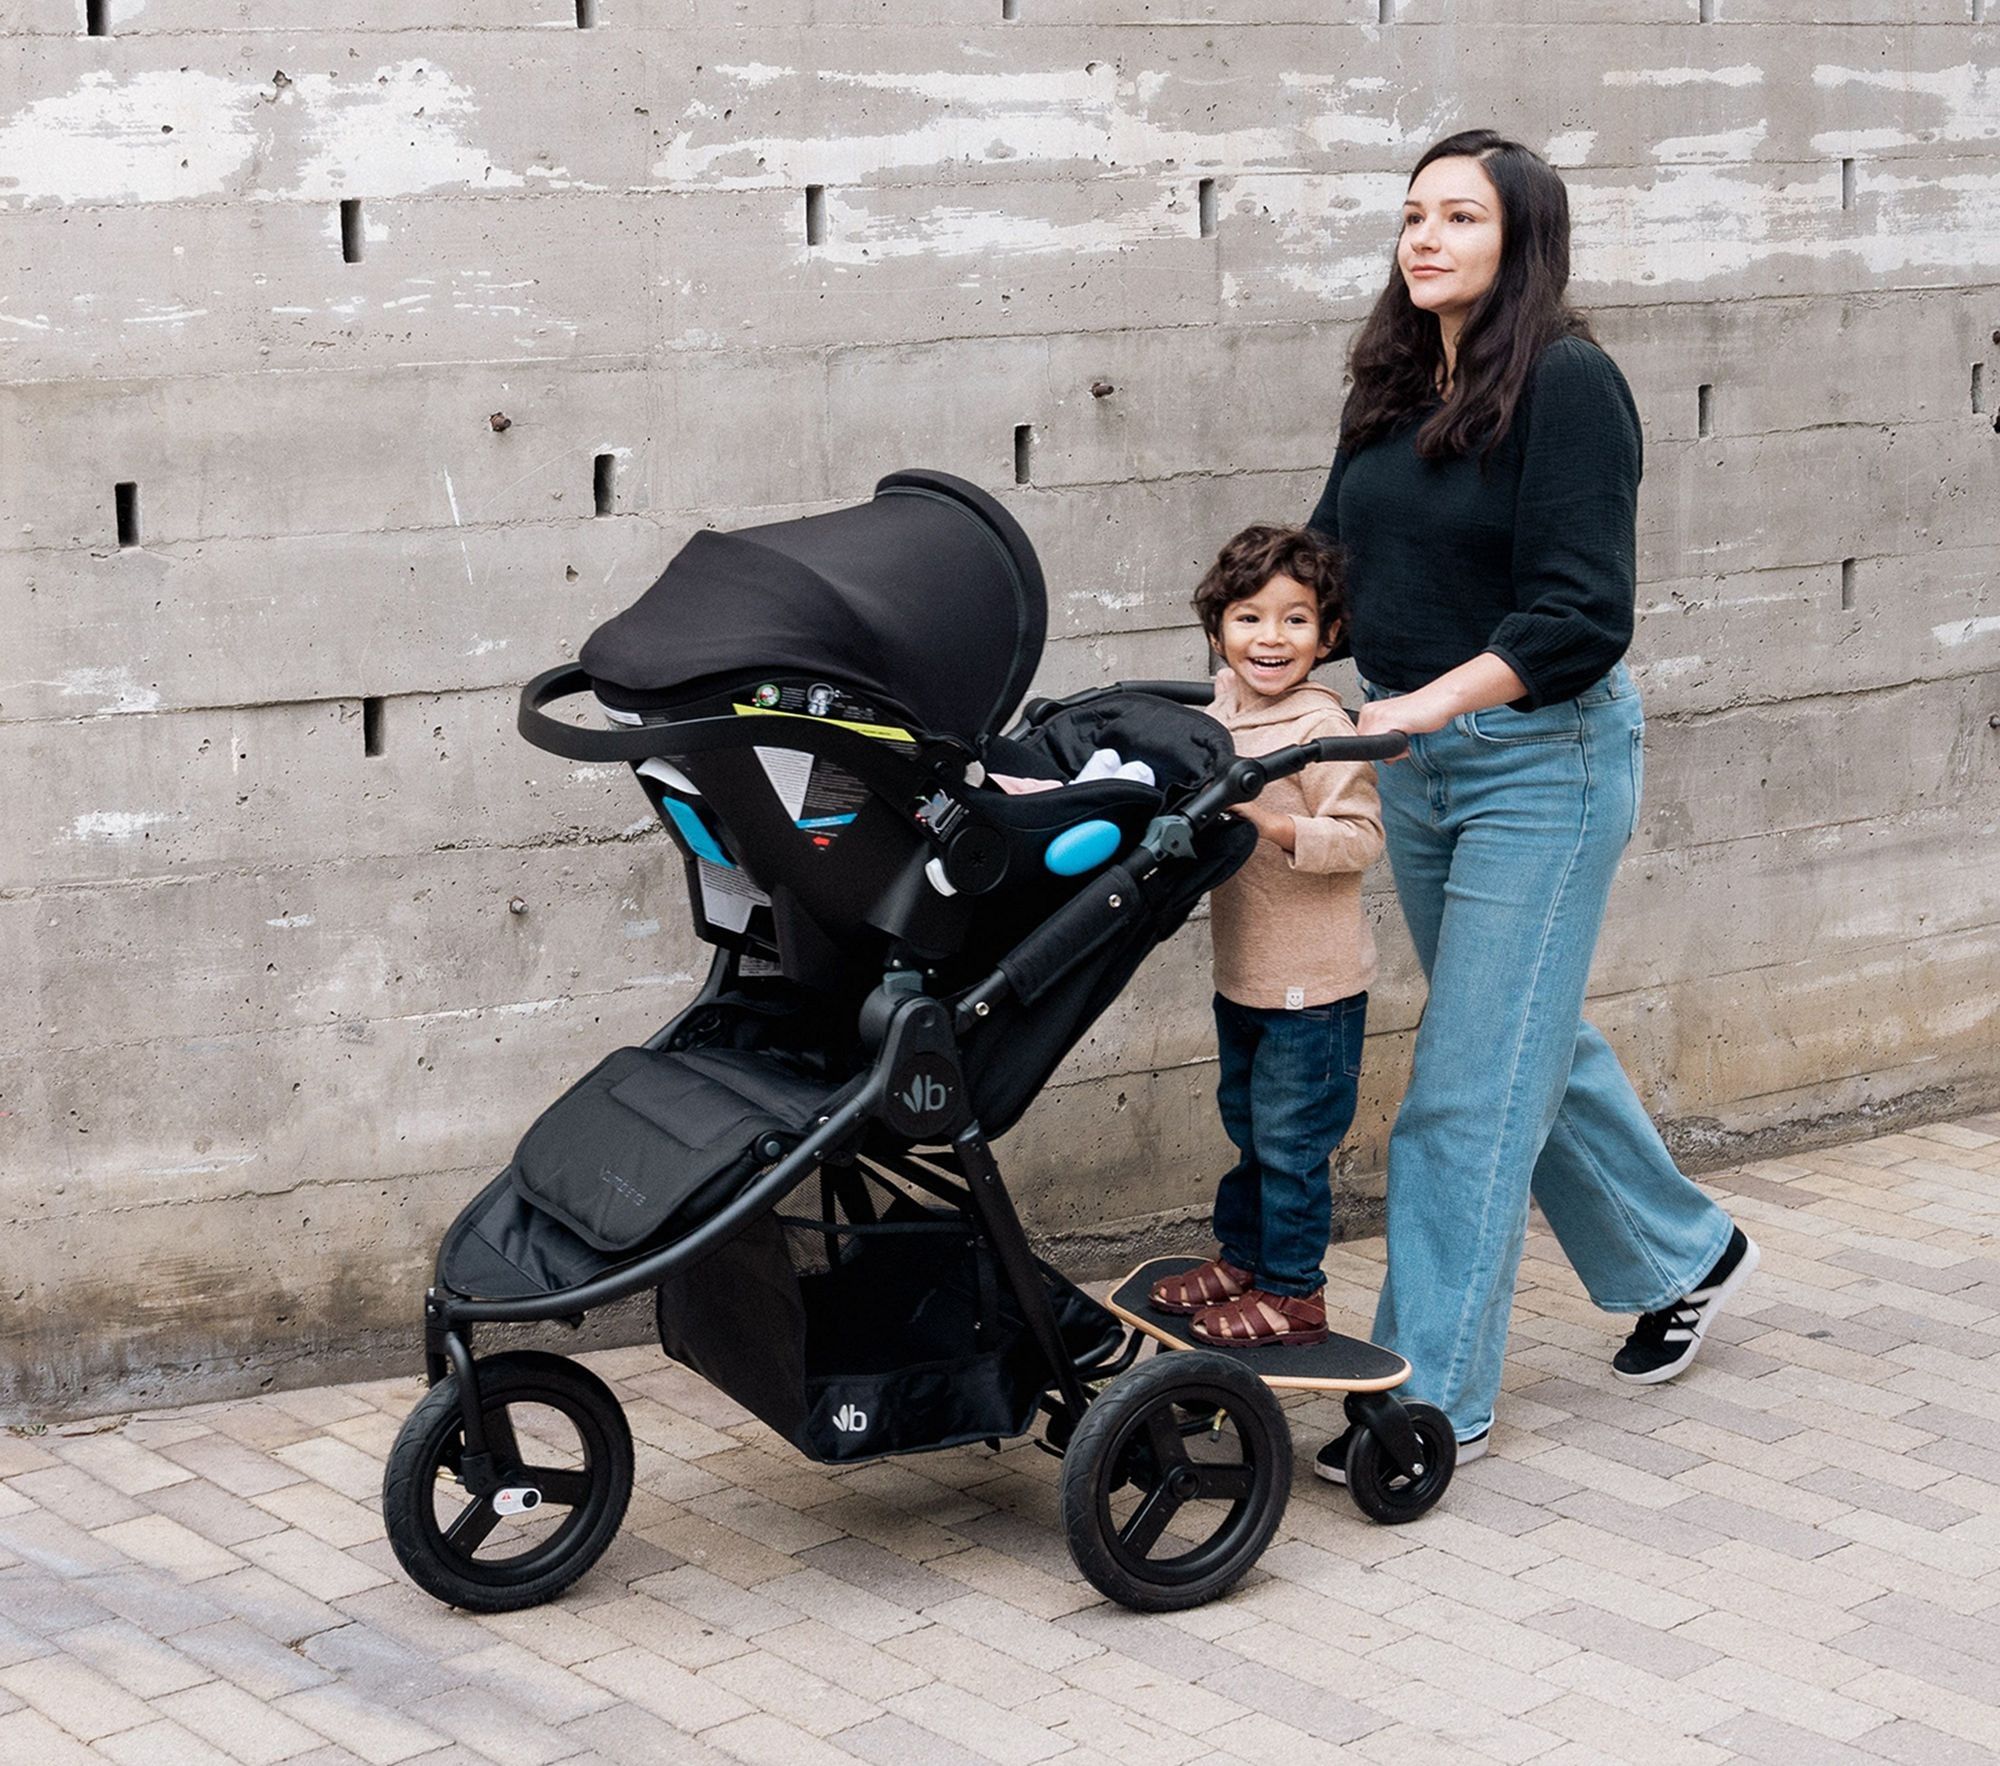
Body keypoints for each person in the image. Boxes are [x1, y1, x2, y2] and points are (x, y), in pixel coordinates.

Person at [1306, 129, 1757, 1481]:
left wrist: (1428, 704)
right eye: (1413, 215)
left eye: (1461, 216)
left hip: (1537, 762)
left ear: (1522, 240)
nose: (1426, 237)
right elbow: (1333, 559)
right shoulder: (1392, 382)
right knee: (1522, 1045)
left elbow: (1580, 614)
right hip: (1424, 763)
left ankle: (1425, 1401)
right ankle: (1685, 1249)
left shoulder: (1568, 385)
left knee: (1464, 1092)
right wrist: (1251, 670)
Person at [1148, 525, 1385, 1346]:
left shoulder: (1322, 730)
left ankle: (1293, 1294)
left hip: (1312, 990)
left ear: (1328, 637)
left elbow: (1359, 838)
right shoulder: (1224, 711)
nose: (1270, 638)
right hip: (1244, 974)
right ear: (1219, 631)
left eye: (1295, 620)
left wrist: (1269, 820)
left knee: (1291, 1147)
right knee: (1249, 1130)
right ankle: (1244, 1260)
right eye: (1250, 618)